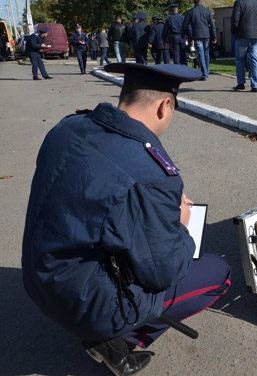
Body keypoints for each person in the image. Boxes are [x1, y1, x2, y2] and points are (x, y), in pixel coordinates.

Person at [22, 63, 233, 376]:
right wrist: (182, 224)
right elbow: (163, 272)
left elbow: (96, 194)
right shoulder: (151, 173)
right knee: (219, 272)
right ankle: (116, 342)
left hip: (39, 278)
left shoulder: (68, 127)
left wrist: (156, 210)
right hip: (83, 302)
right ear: (165, 106)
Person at [231, 0, 257, 92]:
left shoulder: (239, 2)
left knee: (240, 59)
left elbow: (235, 19)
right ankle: (255, 85)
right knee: (255, 59)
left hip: (242, 34)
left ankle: (241, 83)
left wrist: (233, 31)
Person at [181, 0, 216, 81]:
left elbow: (184, 25)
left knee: (201, 54)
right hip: (206, 35)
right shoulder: (207, 11)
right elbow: (212, 25)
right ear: (201, 1)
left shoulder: (190, 12)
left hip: (197, 35)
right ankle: (206, 72)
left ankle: (204, 74)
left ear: (194, 2)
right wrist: (214, 37)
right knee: (206, 54)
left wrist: (183, 35)